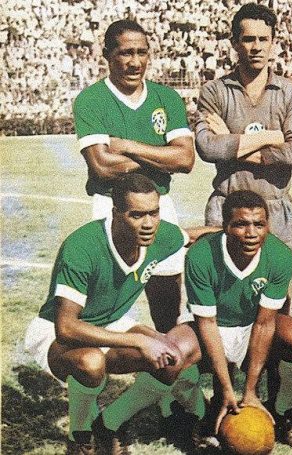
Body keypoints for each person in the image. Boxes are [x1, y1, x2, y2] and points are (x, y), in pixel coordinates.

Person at [23, 174, 204, 454]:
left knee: (173, 356)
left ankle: (109, 424)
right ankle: (80, 436)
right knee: (91, 362)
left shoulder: (159, 234)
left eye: (154, 213)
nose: (148, 223)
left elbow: (191, 235)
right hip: (56, 332)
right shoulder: (83, 246)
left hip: (112, 323)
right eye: (136, 215)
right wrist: (139, 340)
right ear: (116, 212)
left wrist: (240, 232)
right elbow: (66, 328)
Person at [73, 19, 195, 333]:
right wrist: (161, 156)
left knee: (167, 297)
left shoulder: (166, 98)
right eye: (126, 53)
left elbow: (185, 159)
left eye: (142, 52)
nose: (135, 62)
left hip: (159, 204)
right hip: (111, 206)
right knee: (106, 296)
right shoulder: (91, 99)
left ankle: (167, 352)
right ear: (107, 55)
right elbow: (102, 165)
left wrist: (128, 146)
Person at [186, 190, 292, 450]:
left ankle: (280, 411)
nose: (251, 233)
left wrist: (250, 390)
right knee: (174, 352)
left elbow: (265, 323)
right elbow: (207, 323)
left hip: (253, 325)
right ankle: (199, 413)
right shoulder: (200, 255)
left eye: (259, 224)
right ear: (225, 226)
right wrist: (226, 388)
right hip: (215, 326)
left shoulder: (280, 256)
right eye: (241, 224)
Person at [194, 3, 292, 257]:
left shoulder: (289, 92)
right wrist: (271, 137)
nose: (256, 47)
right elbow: (207, 148)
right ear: (234, 43)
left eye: (263, 39)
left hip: (275, 208)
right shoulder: (215, 91)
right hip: (226, 207)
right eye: (248, 39)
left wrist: (230, 142)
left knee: (276, 281)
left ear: (273, 42)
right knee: (224, 279)